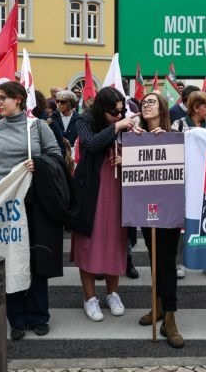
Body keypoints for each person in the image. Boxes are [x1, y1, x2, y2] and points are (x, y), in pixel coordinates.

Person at [0, 81, 61, 340]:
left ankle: (38, 315)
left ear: (19, 100)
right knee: (11, 259)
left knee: (35, 259)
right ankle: (17, 318)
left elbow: (56, 155)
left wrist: (40, 163)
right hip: (6, 204)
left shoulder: (38, 126)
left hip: (34, 202)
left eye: (2, 98)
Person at [69, 87, 134, 322]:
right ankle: (90, 297)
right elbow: (91, 144)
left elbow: (141, 149)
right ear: (101, 109)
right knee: (89, 242)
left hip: (118, 188)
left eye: (121, 111)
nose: (118, 115)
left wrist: (127, 157)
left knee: (115, 240)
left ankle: (113, 293)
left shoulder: (128, 120)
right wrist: (116, 127)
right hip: (91, 190)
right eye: (113, 112)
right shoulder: (84, 119)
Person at [133, 92, 184, 348]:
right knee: (154, 258)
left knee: (167, 261)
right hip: (146, 206)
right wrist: (124, 158)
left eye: (151, 101)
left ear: (163, 108)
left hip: (170, 207)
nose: (146, 104)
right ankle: (158, 306)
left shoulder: (176, 133)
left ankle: (171, 318)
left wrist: (172, 141)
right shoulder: (134, 137)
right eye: (144, 102)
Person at [170, 90, 206, 280]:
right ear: (195, 107)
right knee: (182, 223)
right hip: (184, 179)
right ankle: (180, 262)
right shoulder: (178, 124)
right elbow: (173, 150)